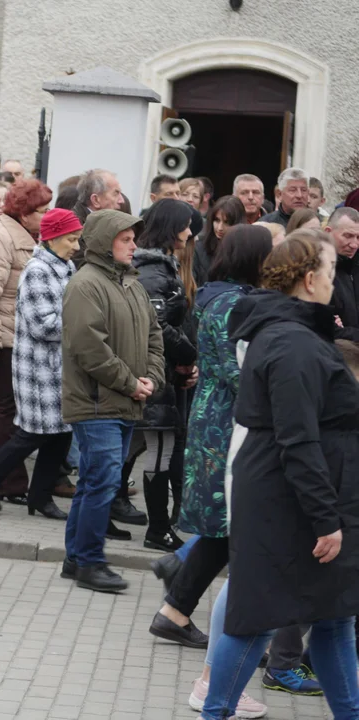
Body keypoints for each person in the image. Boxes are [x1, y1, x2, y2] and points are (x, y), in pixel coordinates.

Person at [200, 230, 359, 719]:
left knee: (334, 618)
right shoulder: (290, 341)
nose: (336, 282)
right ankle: (215, 711)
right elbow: (296, 438)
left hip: (302, 493)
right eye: (331, 272)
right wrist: (324, 517)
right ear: (310, 279)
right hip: (289, 501)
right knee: (259, 619)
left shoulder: (293, 332)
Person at [147, 225, 273, 655]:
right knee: (230, 524)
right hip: (226, 425)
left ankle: (175, 610)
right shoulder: (230, 304)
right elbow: (238, 372)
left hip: (218, 418)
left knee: (224, 526)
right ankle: (199, 618)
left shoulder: (222, 297)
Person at [59, 209, 164, 593]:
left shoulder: (132, 284)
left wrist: (152, 377)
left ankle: (76, 559)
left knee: (93, 482)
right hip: (96, 402)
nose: (134, 245)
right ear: (105, 242)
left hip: (122, 399)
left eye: (134, 238)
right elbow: (89, 349)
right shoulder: (86, 284)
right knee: (102, 483)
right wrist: (131, 383)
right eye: (126, 239)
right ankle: (89, 561)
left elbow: (154, 336)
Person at [0, 208, 81, 519]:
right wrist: (83, 318)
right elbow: (44, 325)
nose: (76, 245)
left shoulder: (67, 265)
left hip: (61, 367)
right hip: (38, 368)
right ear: (53, 238)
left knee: (61, 433)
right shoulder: (37, 270)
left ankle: (40, 497)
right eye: (72, 239)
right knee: (33, 432)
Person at [0, 179, 52, 502]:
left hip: (18, 337)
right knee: (11, 410)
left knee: (3, 408)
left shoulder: (30, 238)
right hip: (3, 337)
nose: (46, 217)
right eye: (41, 211)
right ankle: (9, 482)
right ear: (25, 212)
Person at [129, 199, 198, 551]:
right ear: (171, 227)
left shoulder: (161, 267)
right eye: (185, 225)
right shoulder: (154, 271)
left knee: (161, 449)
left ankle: (158, 527)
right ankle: (157, 529)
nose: (190, 232)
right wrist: (188, 354)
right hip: (154, 373)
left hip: (164, 373)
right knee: (158, 450)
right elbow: (155, 327)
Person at [72, 169, 124, 268]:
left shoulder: (105, 223)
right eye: (116, 193)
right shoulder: (74, 226)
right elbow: (82, 266)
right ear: (96, 200)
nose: (121, 200)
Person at [192, 195, 244, 287]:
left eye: (227, 222)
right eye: (216, 220)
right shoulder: (198, 248)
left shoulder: (247, 250)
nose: (220, 228)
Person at [326, 207, 359, 340]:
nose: (355, 244)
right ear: (328, 232)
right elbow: (326, 328)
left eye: (358, 237)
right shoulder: (317, 272)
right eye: (348, 236)